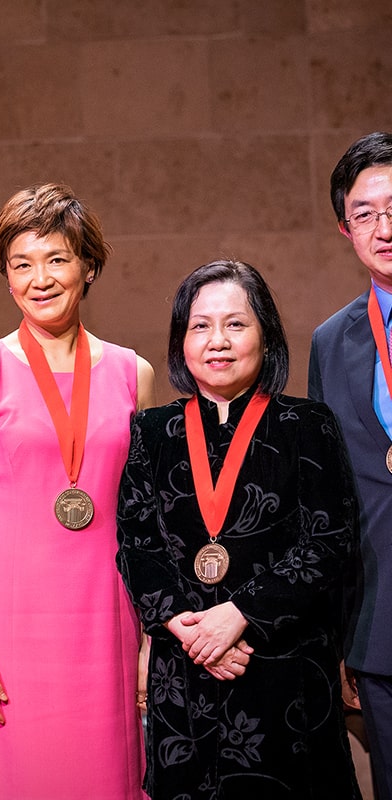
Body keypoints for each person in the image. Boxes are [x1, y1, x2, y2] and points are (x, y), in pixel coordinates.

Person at [117, 259, 361, 799]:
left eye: (235, 324)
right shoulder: (151, 431)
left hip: (285, 671)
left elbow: (328, 543)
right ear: (181, 341)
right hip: (185, 674)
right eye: (200, 326)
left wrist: (239, 614)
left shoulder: (308, 424)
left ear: (266, 336)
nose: (218, 341)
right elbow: (137, 545)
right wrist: (189, 631)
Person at [0, 182, 155, 799]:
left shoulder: (133, 374)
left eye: (57, 259)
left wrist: (152, 638)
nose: (40, 279)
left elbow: (148, 524)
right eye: (22, 264)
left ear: (88, 266)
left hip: (108, 625)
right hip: (9, 629)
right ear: (6, 276)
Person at [309, 130, 392, 799]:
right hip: (380, 625)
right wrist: (338, 634)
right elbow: (327, 500)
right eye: (364, 214)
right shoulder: (331, 343)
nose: (384, 229)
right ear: (346, 228)